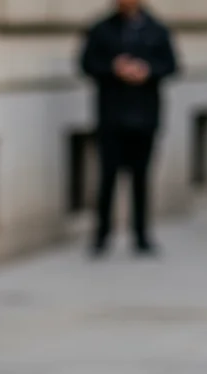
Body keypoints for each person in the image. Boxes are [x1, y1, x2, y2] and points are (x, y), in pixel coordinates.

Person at [80, 0, 179, 258]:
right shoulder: (101, 28)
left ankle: (142, 235)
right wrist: (114, 69)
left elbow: (171, 65)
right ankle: (102, 235)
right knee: (107, 177)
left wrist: (147, 71)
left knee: (141, 178)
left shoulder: (156, 29)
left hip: (145, 115)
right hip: (111, 116)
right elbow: (87, 64)